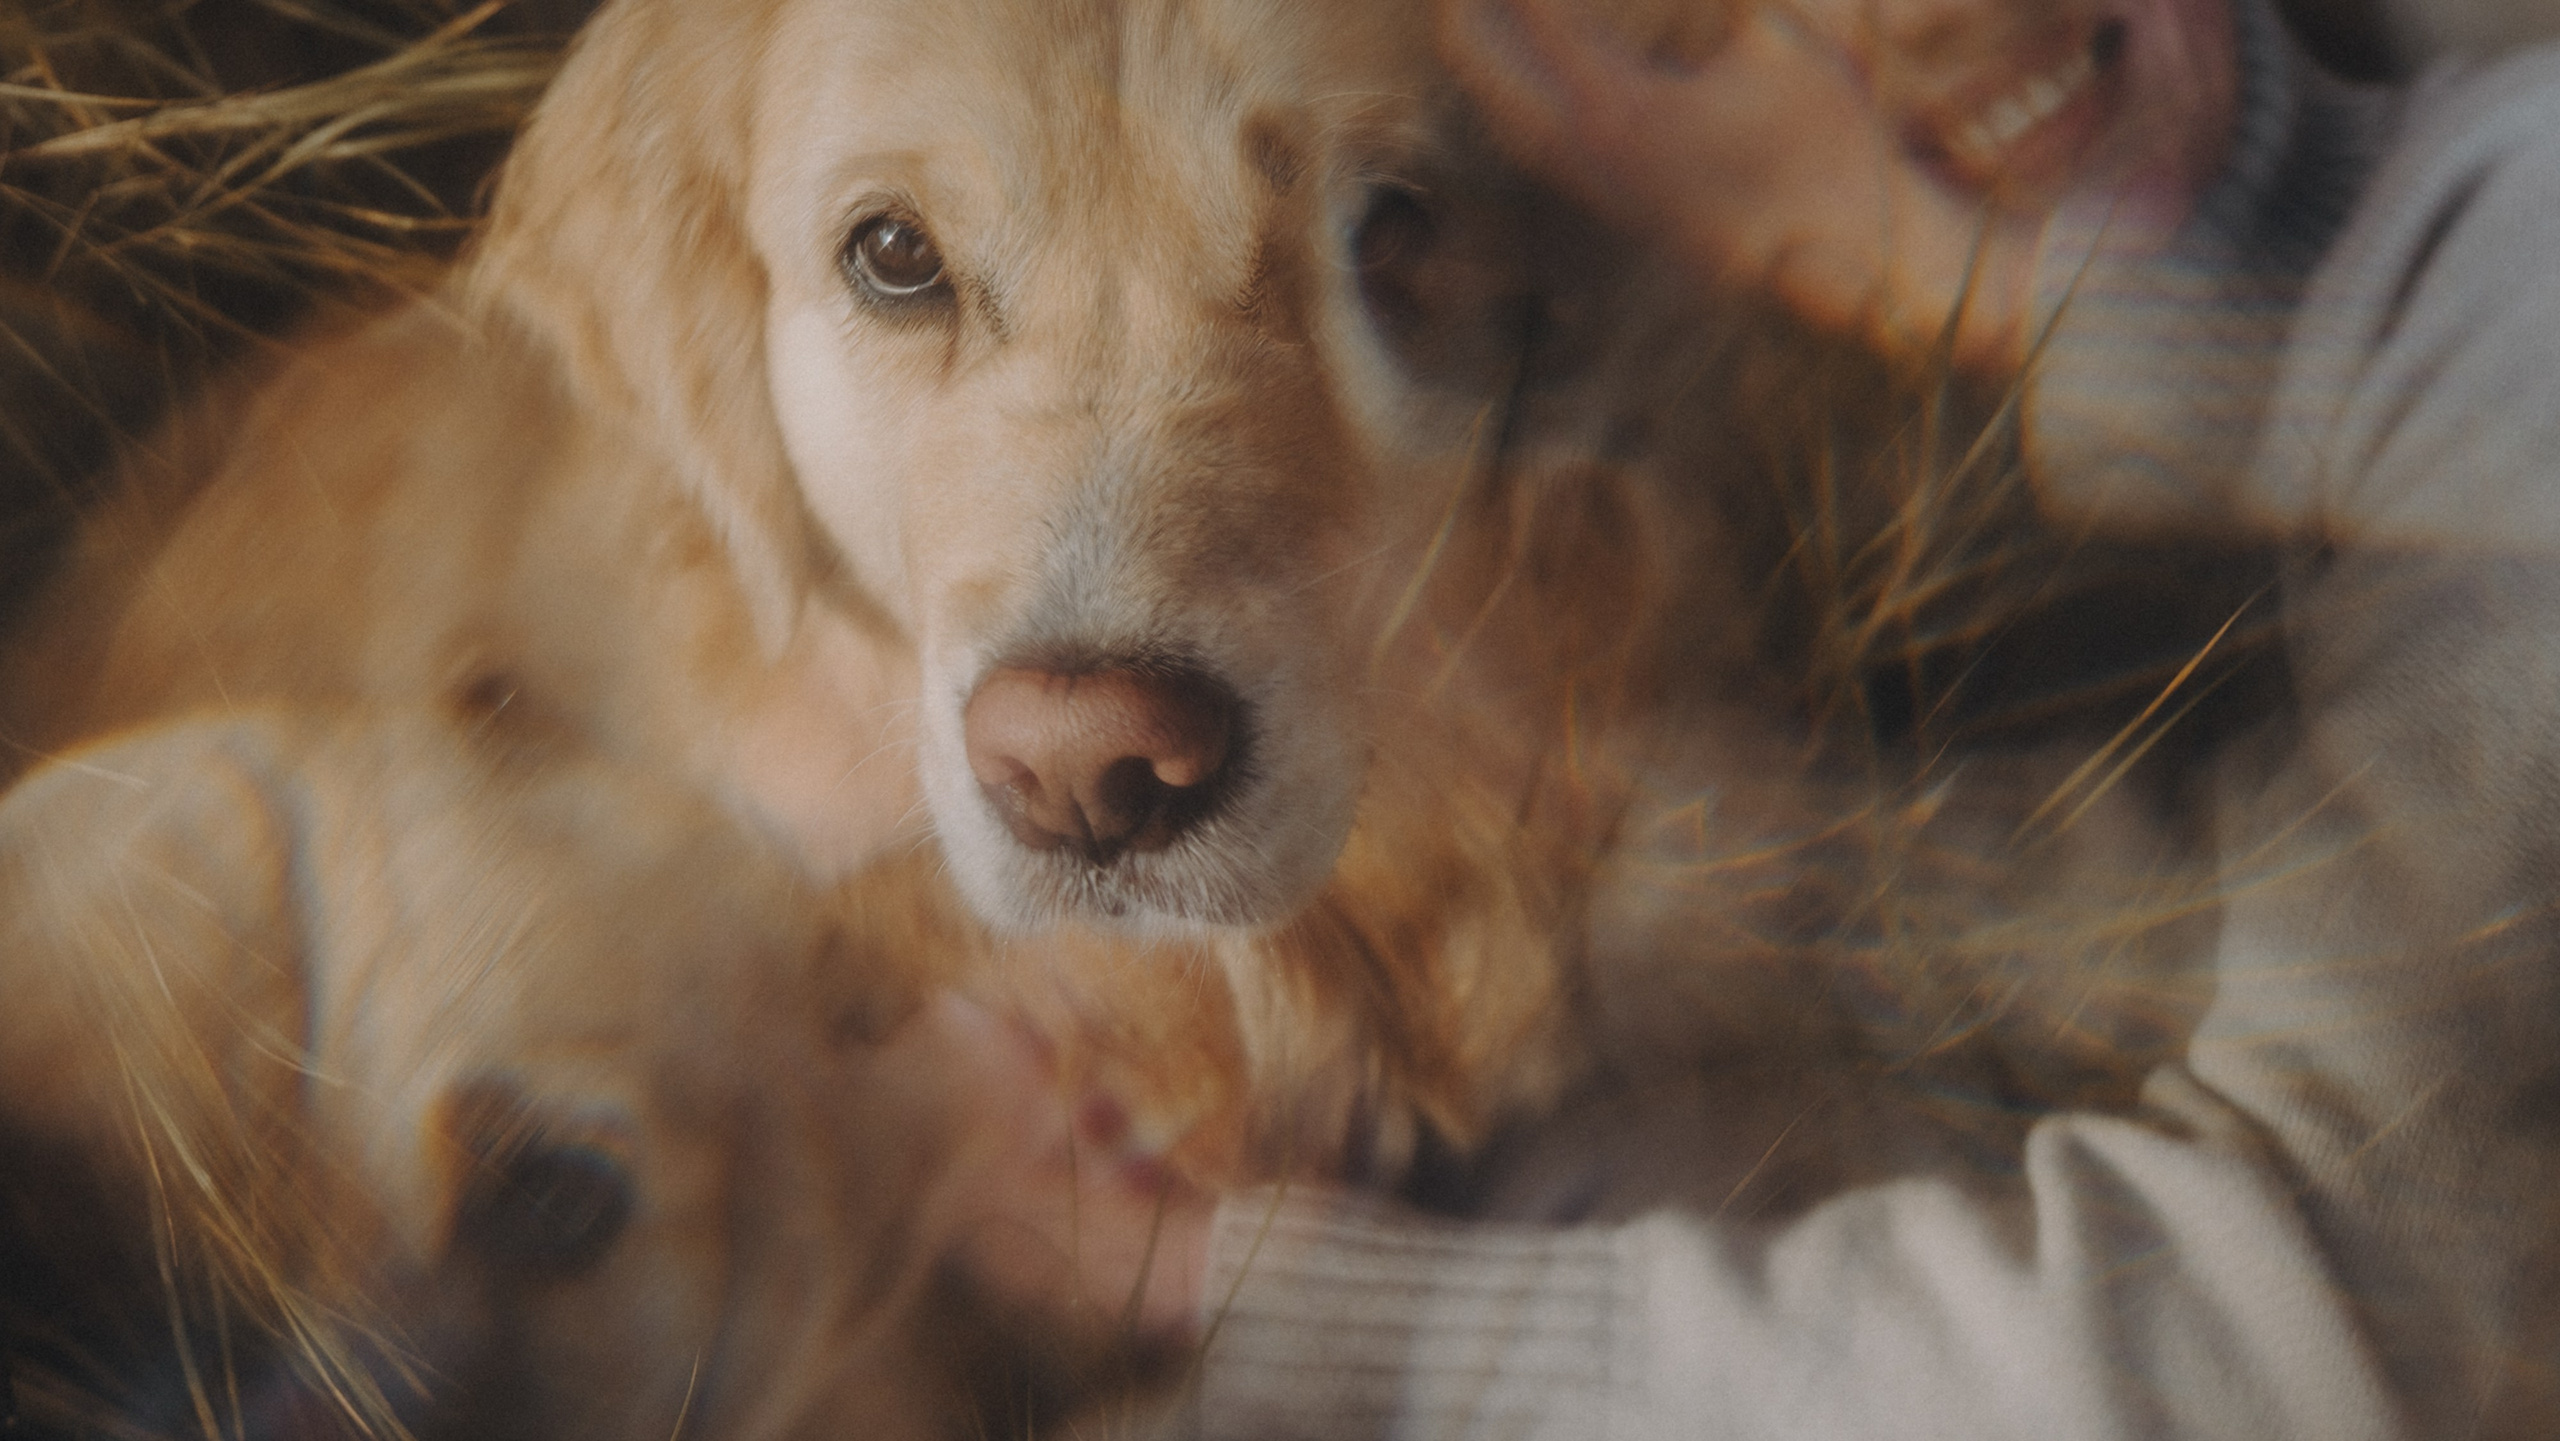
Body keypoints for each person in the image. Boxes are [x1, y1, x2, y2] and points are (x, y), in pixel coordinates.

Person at [955, 1, 2560, 1435]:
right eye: (1699, 28)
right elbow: (2199, 899)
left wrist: (1281, 1292)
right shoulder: (2334, 435)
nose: (1943, 18)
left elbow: (2279, 1341)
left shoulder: (2518, 269)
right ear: (1627, 179)